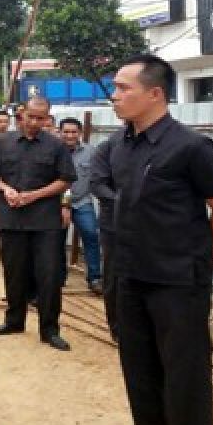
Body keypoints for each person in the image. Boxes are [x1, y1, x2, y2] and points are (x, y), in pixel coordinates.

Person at [94, 54, 213, 425]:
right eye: (114, 88)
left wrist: (208, 250)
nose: (114, 97)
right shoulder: (120, 146)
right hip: (130, 273)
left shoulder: (191, 147)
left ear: (155, 94)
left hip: (177, 277)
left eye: (123, 88)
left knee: (184, 371)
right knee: (138, 364)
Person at [0, 96, 76, 351]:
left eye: (42, 118)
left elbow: (66, 180)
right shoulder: (1, 143)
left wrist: (34, 195)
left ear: (48, 118)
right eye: (32, 117)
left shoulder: (56, 146)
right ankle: (14, 320)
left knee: (49, 276)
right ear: (22, 114)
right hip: (12, 218)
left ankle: (50, 329)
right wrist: (5, 191)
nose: (36, 122)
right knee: (14, 273)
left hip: (44, 221)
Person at [58, 117, 102, 293]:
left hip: (82, 202)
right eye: (66, 132)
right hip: (57, 204)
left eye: (73, 132)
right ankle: (58, 277)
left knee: (92, 236)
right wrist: (63, 204)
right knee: (56, 241)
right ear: (60, 132)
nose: (70, 135)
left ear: (80, 133)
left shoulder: (91, 152)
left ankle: (95, 278)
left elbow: (98, 176)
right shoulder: (53, 151)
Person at [88, 138, 119, 339]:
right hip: (116, 224)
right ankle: (117, 327)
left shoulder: (171, 143)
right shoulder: (109, 147)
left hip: (154, 225)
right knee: (115, 276)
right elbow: (98, 185)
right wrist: (126, 202)